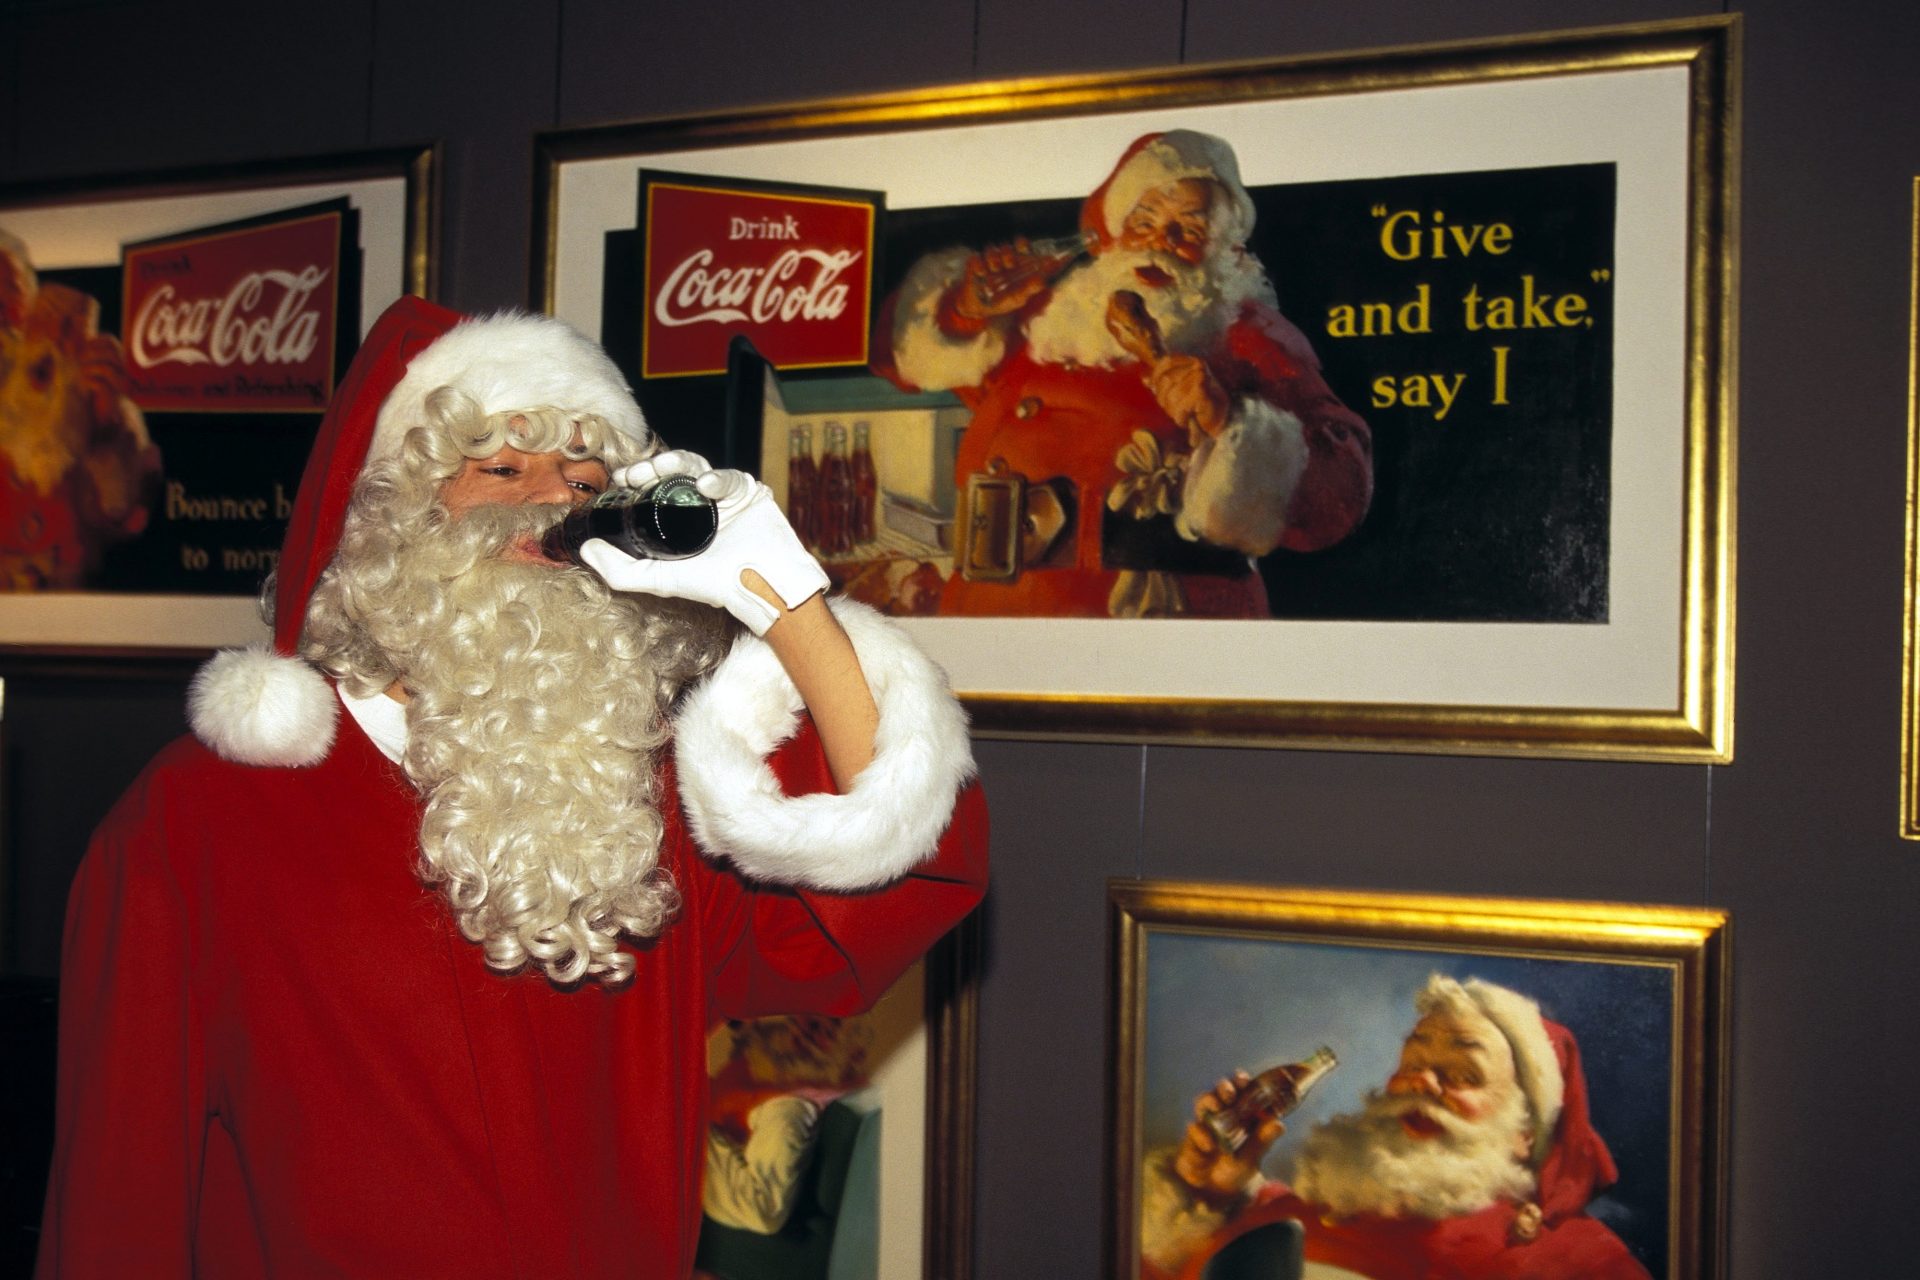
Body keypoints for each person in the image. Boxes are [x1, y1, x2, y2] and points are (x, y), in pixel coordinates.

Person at [35, 297, 988, 1278]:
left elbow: (902, 876)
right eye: (499, 469)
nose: (548, 505)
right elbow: (119, 1204)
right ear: (390, 513)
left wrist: (787, 601)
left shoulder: (640, 795)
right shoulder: (203, 813)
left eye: (584, 478)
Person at [873, 129, 1372, 619]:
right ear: (1113, 234)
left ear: (1228, 252)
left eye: (1190, 230)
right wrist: (965, 310)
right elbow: (898, 362)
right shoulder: (1050, 321)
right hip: (998, 609)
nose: (1160, 240)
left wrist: (1231, 421)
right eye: (1144, 221)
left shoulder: (1250, 337)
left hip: (1157, 619)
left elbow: (1338, 496)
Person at [1141, 975, 1652, 1280]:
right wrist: (1208, 1192)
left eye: (1463, 1075)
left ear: (1525, 1133)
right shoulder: (1294, 1210)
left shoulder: (1577, 1264)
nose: (1419, 1083)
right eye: (1411, 1063)